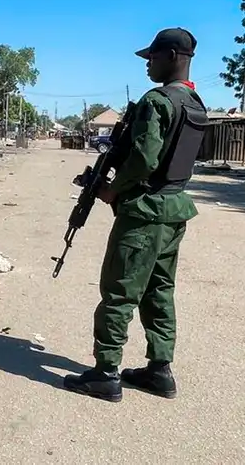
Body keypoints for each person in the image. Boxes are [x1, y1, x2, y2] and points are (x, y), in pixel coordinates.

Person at [63, 28, 207, 402]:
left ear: (173, 55)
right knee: (159, 290)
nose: (147, 65)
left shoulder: (157, 101)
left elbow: (144, 159)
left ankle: (105, 372)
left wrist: (112, 189)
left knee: (119, 291)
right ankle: (160, 370)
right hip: (174, 210)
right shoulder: (194, 103)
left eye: (152, 57)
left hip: (144, 213)